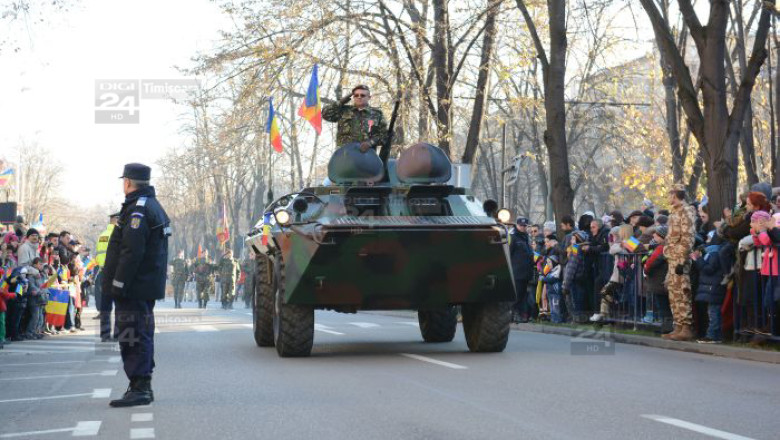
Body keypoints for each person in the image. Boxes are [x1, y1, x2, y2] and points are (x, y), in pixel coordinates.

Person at [102, 163, 171, 407]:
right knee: (139, 333)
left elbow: (132, 252)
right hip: (142, 286)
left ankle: (140, 387)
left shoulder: (138, 211)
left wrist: (118, 284)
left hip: (134, 287)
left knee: (132, 335)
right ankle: (141, 385)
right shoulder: (147, 205)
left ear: (128, 182)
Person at [662, 184, 697, 341]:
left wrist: (682, 260)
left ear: (675, 194)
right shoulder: (673, 212)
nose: (668, 197)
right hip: (672, 258)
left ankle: (686, 327)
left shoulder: (686, 211)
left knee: (682, 292)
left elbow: (688, 237)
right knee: (673, 293)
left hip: (680, 260)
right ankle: (678, 325)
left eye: (670, 194)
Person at [692, 232, 734, 344]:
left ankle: (712, 336)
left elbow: (709, 269)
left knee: (713, 312)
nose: (706, 241)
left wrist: (698, 259)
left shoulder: (714, 253)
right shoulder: (713, 252)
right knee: (713, 311)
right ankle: (716, 335)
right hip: (712, 286)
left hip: (713, 286)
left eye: (709, 238)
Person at [322, 85, 389, 152]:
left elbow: (384, 136)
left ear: (369, 97)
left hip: (366, 156)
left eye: (362, 95)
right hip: (344, 155)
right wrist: (341, 102)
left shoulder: (377, 114)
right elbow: (325, 114)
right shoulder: (343, 111)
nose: (359, 97)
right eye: (356, 95)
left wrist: (370, 143)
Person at [95, 213, 119, 332]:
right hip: (117, 271)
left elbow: (98, 253)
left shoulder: (103, 235)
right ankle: (118, 333)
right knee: (120, 302)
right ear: (117, 220)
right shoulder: (120, 233)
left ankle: (104, 333)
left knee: (106, 300)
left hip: (104, 269)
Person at [509, 217, 534, 322]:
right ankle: (514, 314)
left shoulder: (527, 238)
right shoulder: (513, 237)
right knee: (517, 295)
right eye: (522, 225)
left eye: (525, 226)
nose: (523, 227)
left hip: (526, 272)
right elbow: (508, 254)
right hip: (517, 272)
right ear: (517, 225)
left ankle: (520, 314)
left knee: (523, 295)